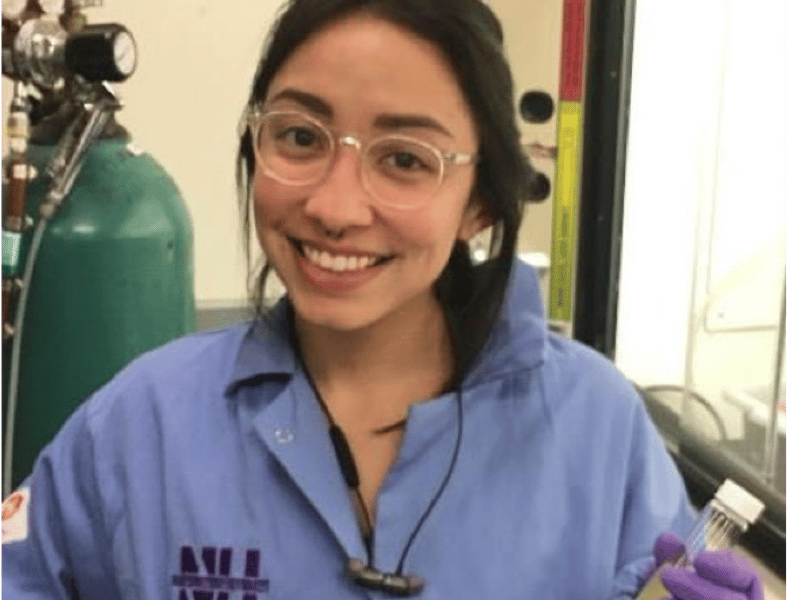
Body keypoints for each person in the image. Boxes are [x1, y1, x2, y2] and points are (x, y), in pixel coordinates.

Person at [1, 0, 766, 598]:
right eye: (301, 137)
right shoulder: (142, 425)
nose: (335, 207)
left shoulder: (597, 431)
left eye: (405, 158)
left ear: (481, 204)